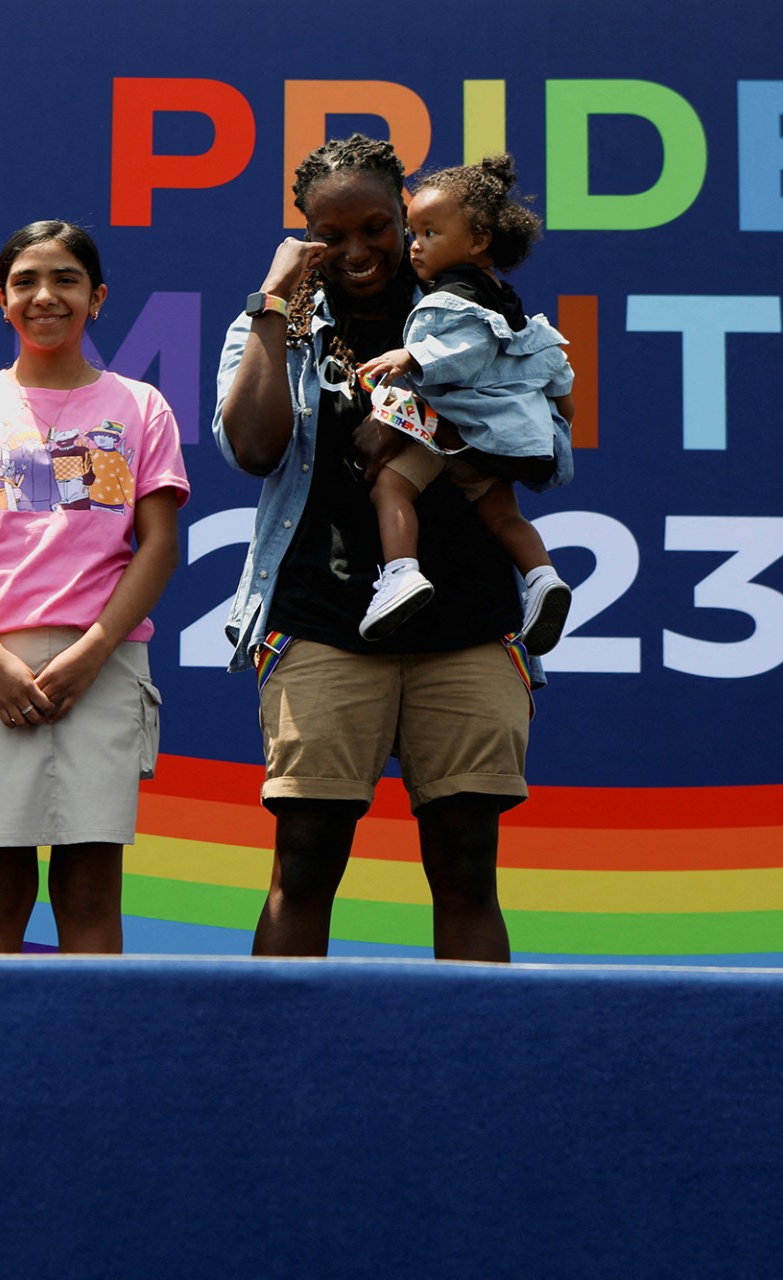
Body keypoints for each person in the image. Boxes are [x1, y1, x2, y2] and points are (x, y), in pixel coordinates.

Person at [212, 134, 572, 962]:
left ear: (407, 215)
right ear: (305, 233)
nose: (360, 250)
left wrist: (426, 424)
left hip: (470, 624)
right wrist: (272, 306)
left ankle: (474, 1077)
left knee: (466, 869)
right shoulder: (275, 318)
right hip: (325, 620)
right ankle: (280, 1074)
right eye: (331, 236)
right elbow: (254, 450)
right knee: (303, 864)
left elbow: (549, 454)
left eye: (378, 226)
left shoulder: (473, 311)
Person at [0, 221, 188, 954]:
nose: (45, 295)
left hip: (104, 662)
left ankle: (93, 1065)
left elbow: (158, 544)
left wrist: (95, 650)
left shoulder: (141, 405)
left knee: (92, 892)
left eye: (65, 279)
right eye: (27, 281)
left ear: (97, 299)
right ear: (1, 300)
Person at [354, 154, 575, 654]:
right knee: (502, 517)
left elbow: (464, 349)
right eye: (413, 233)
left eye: (430, 234)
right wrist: (563, 408)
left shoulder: (453, 297)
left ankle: (401, 574)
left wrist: (411, 355)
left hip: (457, 429)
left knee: (390, 489)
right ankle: (542, 578)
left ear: (478, 241)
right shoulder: (504, 297)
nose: (414, 247)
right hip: (500, 439)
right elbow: (547, 358)